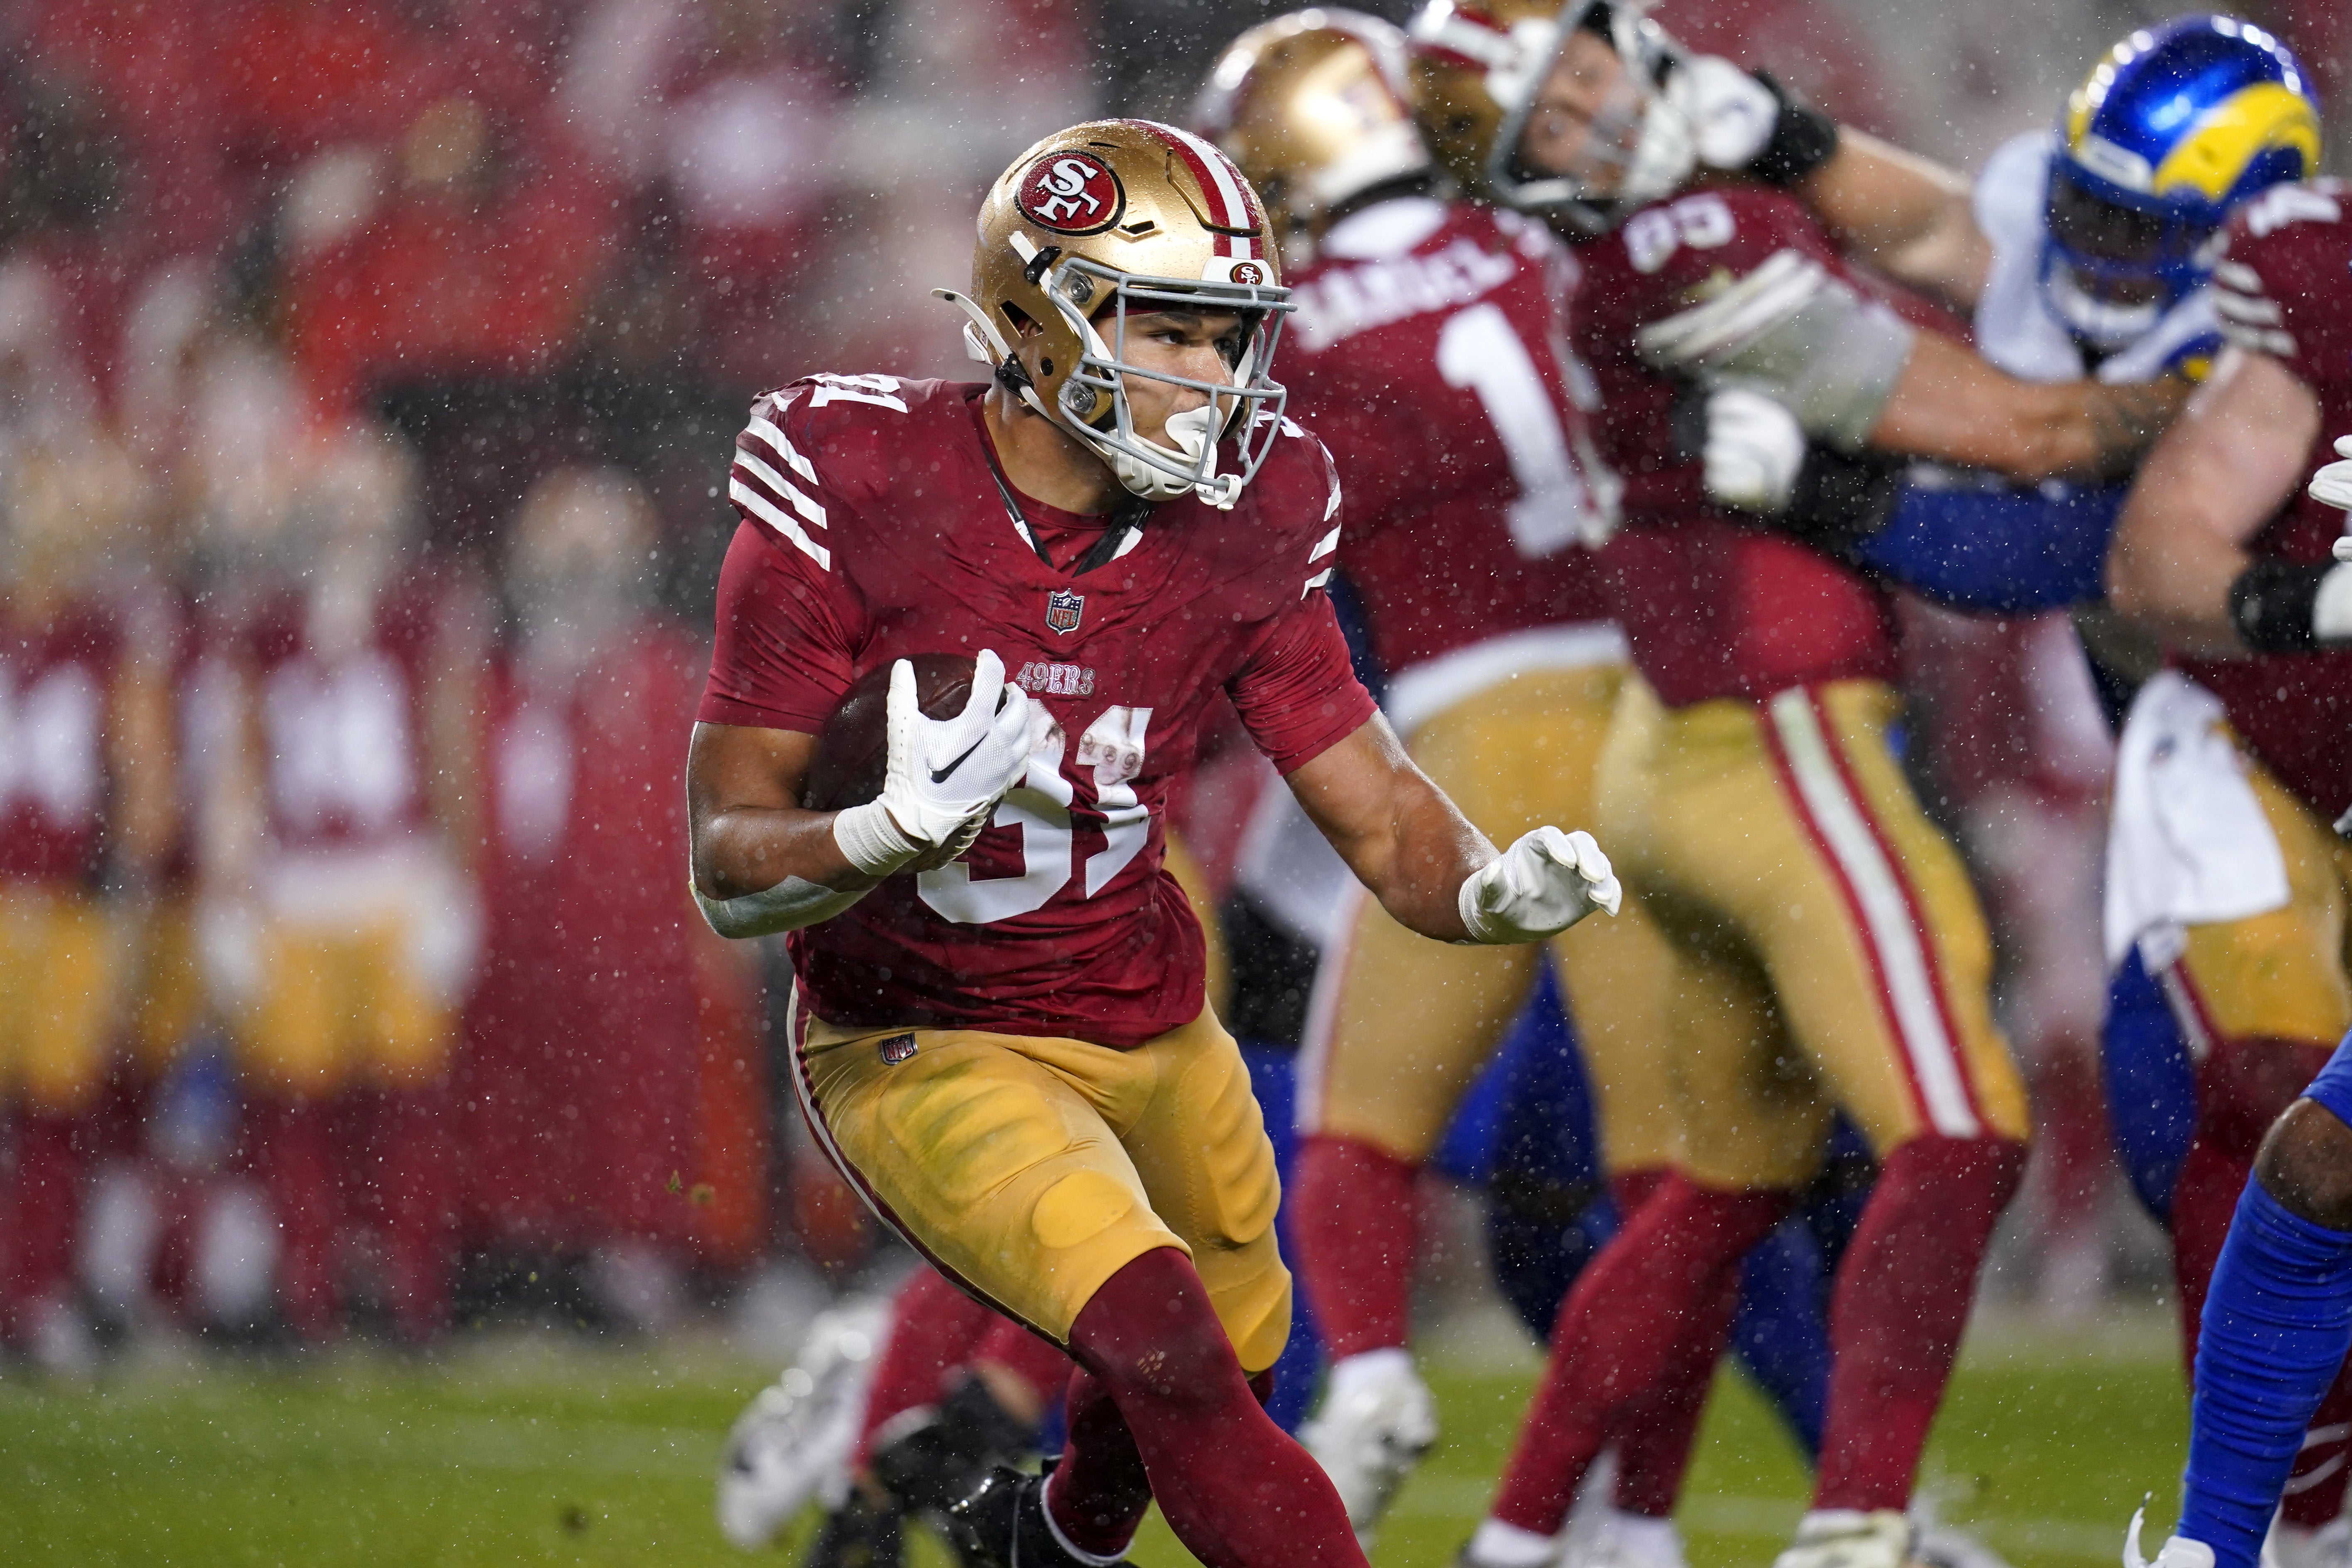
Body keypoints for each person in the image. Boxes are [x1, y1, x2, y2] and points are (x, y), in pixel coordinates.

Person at [685, 117, 1622, 1568]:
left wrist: (1483, 889)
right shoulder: (852, 475)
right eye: (1173, 330)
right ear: (1037, 316)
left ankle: (1050, 1545)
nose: (1217, 379)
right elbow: (725, 858)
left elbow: (1372, 801)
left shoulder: (1251, 510)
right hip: (922, 1032)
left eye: (1233, 336)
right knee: (1165, 1343)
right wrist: (878, 830)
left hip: (1148, 1015)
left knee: (1228, 1366)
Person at [1399, 4, 2195, 1566]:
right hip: (1779, 750)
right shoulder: (1686, 241)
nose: (1592, 113)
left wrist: (1796, 136)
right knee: (1961, 1128)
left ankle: (1522, 1541)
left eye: (1581, 72)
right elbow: (2031, 425)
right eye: (1548, 122)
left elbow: (1941, 236)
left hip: (1672, 755)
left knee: (1720, 1190)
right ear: (1520, 176)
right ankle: (1856, 1528)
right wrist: (2257, 380)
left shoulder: (1637, 238)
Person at [1192, 11, 1693, 1549]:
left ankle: (1381, 1376)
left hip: (1470, 723)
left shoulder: (1303, 321)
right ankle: (1636, 1518)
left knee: (1354, 1130)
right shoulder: (1536, 253)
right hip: (1650, 716)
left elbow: (1243, 529)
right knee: (1685, 1183)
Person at [2100, 157, 2352, 1566]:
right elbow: (2150, 563)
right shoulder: (2323, 275)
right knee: (2310, 1152)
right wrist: (2315, 597)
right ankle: (2238, 1545)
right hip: (2266, 770)